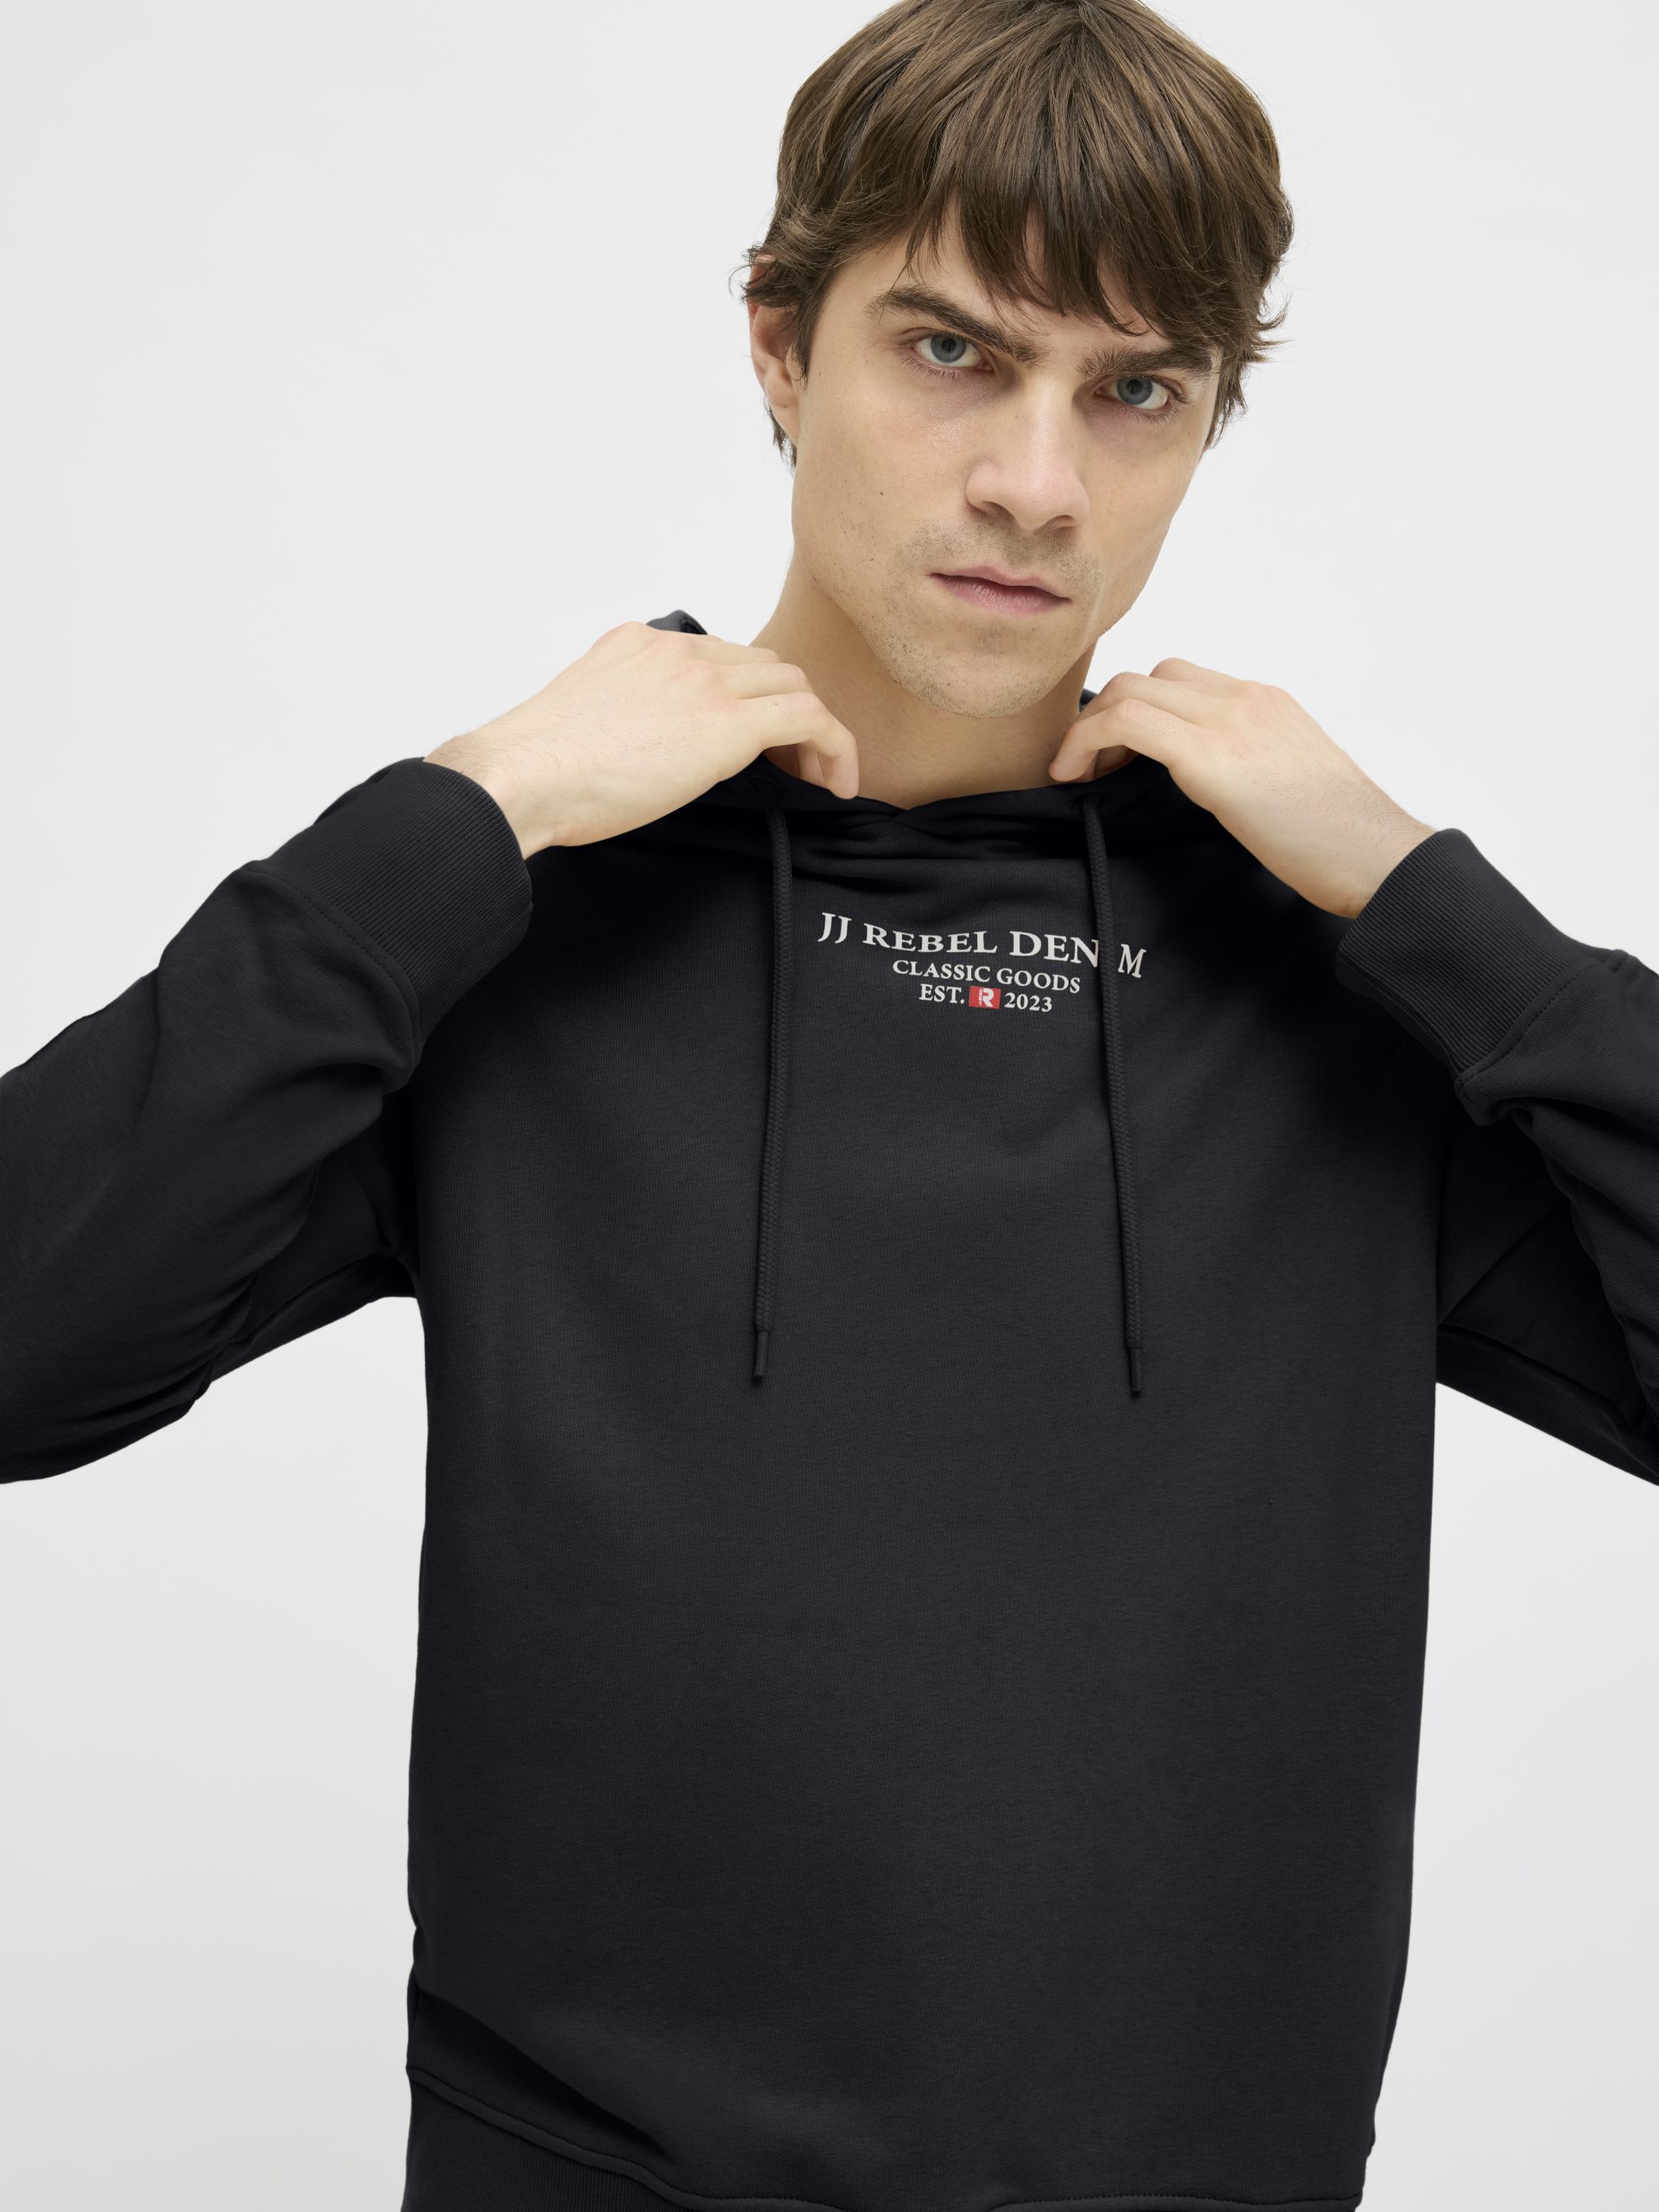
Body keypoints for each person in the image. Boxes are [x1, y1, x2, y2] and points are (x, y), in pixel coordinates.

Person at [3, 0, 1655, 2204]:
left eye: (1136, 391)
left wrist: (1443, 905)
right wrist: (458, 814)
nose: (1037, 485)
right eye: (953, 350)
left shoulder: (1335, 975)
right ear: (781, 345)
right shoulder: (512, 920)